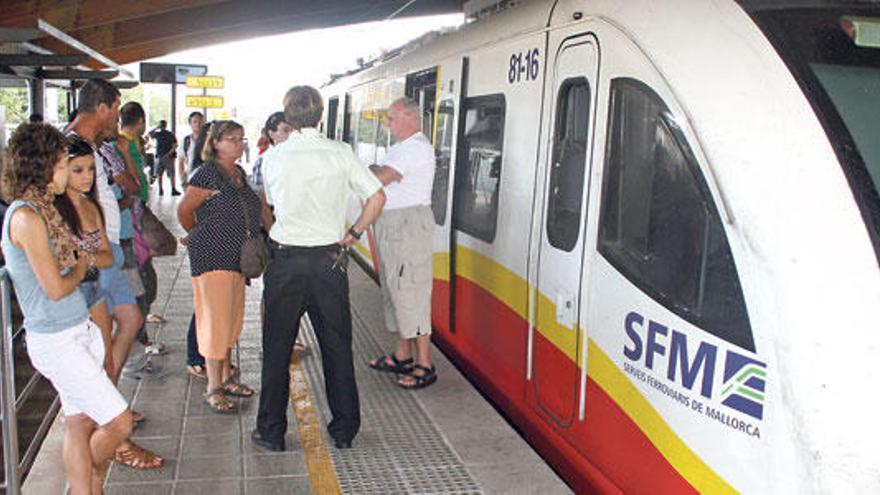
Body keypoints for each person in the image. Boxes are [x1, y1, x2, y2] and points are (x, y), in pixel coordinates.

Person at [1, 123, 132, 494]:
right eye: (62, 164)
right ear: (44, 167)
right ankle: (91, 470)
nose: (67, 172)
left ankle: (84, 486)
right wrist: (81, 264)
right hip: (57, 338)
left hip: (77, 328)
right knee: (120, 423)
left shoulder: (45, 209)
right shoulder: (27, 216)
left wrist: (80, 260)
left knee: (78, 422)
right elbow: (56, 287)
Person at [253, 85, 385, 451]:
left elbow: (275, 202)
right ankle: (344, 430)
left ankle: (271, 431)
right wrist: (353, 234)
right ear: (320, 115)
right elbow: (377, 196)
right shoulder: (341, 153)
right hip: (330, 260)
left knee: (277, 347)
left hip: (286, 260)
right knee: (337, 347)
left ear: (288, 117)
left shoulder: (274, 158)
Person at [65, 80, 163, 470]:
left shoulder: (98, 147)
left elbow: (129, 189)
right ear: (103, 107)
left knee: (132, 318)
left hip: (111, 251)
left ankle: (109, 410)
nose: (118, 117)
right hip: (95, 259)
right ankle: (111, 430)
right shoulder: (71, 145)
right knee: (102, 346)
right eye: (116, 108)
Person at [177, 120, 257, 414]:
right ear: (215, 143)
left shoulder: (238, 173)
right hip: (212, 256)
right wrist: (201, 233)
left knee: (231, 318)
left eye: (241, 138)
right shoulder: (207, 173)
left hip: (237, 258)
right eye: (232, 139)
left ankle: (225, 375)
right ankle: (214, 387)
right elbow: (185, 211)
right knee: (215, 320)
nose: (239, 143)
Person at [367, 98, 438, 388]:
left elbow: (379, 176)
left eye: (392, 117)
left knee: (411, 291)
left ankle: (425, 363)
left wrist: (372, 169)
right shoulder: (401, 148)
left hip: (408, 227)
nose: (388, 122)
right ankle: (402, 355)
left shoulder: (417, 147)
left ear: (411, 118)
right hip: (394, 226)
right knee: (396, 291)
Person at [247, 112, 309, 356]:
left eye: (292, 129)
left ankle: (283, 339)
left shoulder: (292, 159)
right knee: (273, 289)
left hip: (289, 232)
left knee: (289, 290)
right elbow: (262, 202)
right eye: (284, 129)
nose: (289, 134)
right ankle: (271, 340)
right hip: (275, 233)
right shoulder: (267, 160)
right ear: (271, 134)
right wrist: (274, 232)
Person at [54, 136, 115, 378]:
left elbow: (108, 257)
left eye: (90, 169)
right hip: (70, 295)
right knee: (83, 371)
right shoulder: (54, 212)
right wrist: (90, 257)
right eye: (77, 170)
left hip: (93, 289)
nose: (87, 176)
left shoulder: (92, 206)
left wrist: (81, 258)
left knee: (106, 364)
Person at [149, 120, 179, 196]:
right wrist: (170, 153)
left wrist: (156, 127)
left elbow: (149, 134)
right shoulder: (170, 134)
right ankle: (173, 189)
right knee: (171, 173)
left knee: (160, 173)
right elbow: (175, 144)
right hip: (169, 156)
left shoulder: (158, 134)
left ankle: (160, 190)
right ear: (166, 125)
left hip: (160, 156)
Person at [178, 111, 205, 186]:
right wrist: (183, 180)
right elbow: (181, 162)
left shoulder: (210, 141)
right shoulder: (186, 141)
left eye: (200, 122)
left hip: (208, 181)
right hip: (191, 180)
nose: (198, 124)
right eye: (195, 122)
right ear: (190, 124)